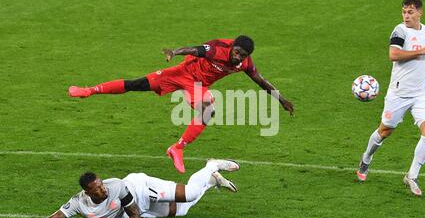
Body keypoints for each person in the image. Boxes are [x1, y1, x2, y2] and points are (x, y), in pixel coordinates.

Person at [68, 36, 294, 173]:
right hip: (181, 73)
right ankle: (89, 91)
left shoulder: (245, 64)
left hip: (197, 85)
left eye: (242, 55)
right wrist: (174, 52)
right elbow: (195, 49)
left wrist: (281, 100)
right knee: (136, 84)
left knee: (209, 111)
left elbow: (261, 81)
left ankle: (177, 148)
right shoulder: (218, 49)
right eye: (236, 51)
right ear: (232, 46)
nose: (237, 57)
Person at [28, 159, 240, 218]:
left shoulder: (117, 187)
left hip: (140, 189)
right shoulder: (78, 203)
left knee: (189, 194)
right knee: (182, 211)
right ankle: (212, 181)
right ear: (87, 193)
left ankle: (211, 165)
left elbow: (135, 214)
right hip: (142, 207)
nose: (102, 190)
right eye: (96, 190)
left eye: (101, 185)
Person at [356, 0, 425, 197]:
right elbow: (394, 54)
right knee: (385, 131)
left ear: (420, 13)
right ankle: (366, 158)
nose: (406, 16)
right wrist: (422, 51)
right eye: (404, 12)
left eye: (410, 12)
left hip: (421, 93)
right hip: (399, 94)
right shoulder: (399, 30)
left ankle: (412, 176)